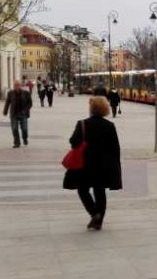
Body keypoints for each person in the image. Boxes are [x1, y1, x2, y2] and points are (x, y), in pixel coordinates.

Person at [63, 97, 122, 231]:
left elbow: (73, 141)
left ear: (91, 109)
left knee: (83, 190)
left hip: (85, 165)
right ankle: (99, 220)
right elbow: (115, 148)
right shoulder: (109, 126)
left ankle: (94, 213)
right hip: (103, 166)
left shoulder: (82, 124)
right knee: (99, 191)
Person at [3, 80, 33, 148]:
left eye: (17, 85)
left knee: (24, 129)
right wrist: (5, 111)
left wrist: (26, 110)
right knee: (14, 128)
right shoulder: (10, 93)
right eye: (14, 85)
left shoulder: (26, 93)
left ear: (20, 86)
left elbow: (30, 103)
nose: (16, 87)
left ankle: (25, 138)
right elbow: (7, 102)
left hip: (23, 113)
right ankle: (17, 142)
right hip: (14, 114)